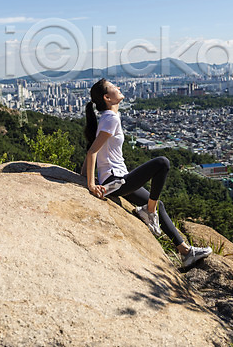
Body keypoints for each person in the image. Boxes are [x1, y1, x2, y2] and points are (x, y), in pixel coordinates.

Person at [82, 78, 212, 268]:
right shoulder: (110, 118)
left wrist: (83, 175)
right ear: (107, 98)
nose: (118, 87)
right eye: (113, 87)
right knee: (162, 163)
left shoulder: (108, 117)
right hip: (115, 180)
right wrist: (91, 184)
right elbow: (92, 151)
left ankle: (185, 252)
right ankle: (149, 212)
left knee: (159, 203)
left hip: (117, 179)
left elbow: (92, 148)